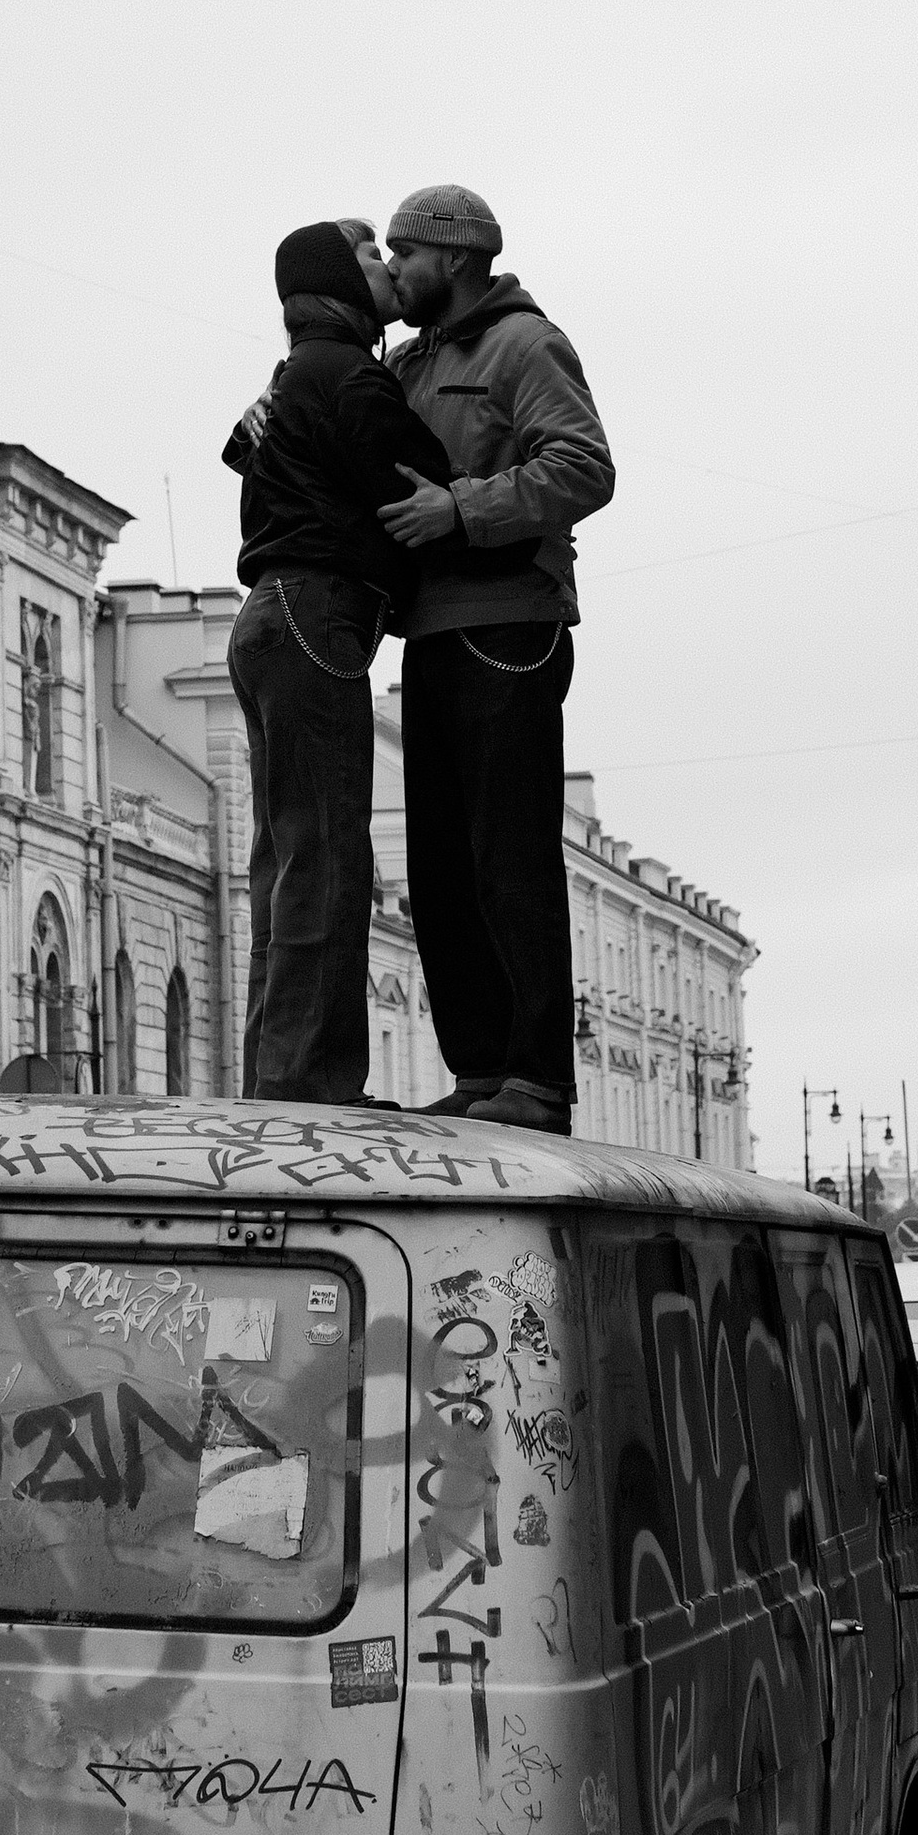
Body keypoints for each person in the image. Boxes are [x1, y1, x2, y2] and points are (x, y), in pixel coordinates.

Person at [378, 184, 615, 1132]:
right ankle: (481, 1068)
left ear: (455, 256)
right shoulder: (407, 361)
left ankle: (537, 1081)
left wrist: (461, 509)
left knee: (508, 858)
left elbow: (584, 467)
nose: (395, 270)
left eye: (405, 254)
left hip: (510, 625)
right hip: (430, 631)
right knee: (440, 868)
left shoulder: (526, 345)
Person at [220, 220, 461, 1101]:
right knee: (327, 857)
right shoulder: (347, 373)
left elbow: (242, 451)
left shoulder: (292, 376)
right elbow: (424, 480)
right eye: (369, 255)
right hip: (317, 611)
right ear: (336, 280)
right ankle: (314, 1086)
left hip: (268, 618)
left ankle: (278, 1074)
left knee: (285, 860)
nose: (387, 266)